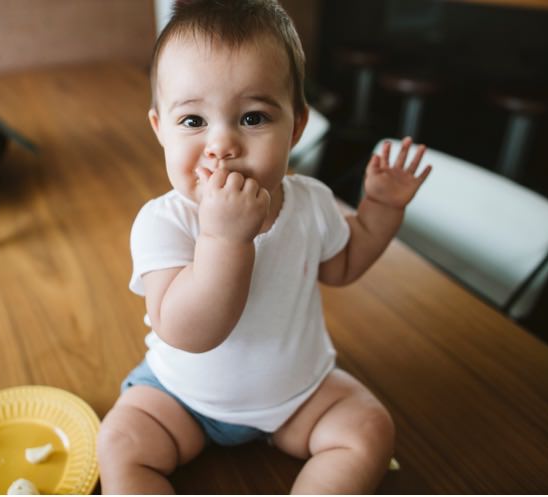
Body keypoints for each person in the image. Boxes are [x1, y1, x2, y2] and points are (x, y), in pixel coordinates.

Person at [96, 1, 432, 492]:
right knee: (120, 444)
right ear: (160, 129)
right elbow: (188, 331)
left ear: (295, 126)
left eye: (253, 117)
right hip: (180, 398)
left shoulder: (312, 201)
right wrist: (223, 237)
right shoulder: (163, 223)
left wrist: (381, 208)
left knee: (369, 430)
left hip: (298, 395)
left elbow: (342, 266)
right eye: (193, 121)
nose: (222, 143)